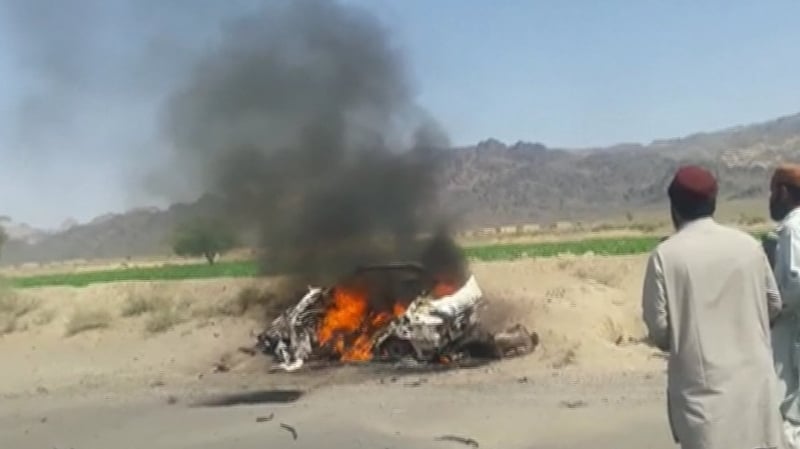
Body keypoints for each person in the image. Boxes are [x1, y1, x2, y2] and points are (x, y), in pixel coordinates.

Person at [641, 165, 783, 449]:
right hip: (755, 389)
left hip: (704, 397)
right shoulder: (749, 246)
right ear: (713, 203)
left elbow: (660, 332)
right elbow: (774, 305)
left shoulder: (665, 256)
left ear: (674, 207)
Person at [768, 163, 800, 448]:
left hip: (793, 335)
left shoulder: (792, 228)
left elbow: (795, 283)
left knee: (790, 413)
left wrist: (771, 310)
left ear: (784, 192)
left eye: (772, 192)